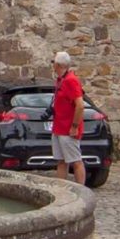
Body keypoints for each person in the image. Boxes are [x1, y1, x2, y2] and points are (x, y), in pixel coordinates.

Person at [48, 51, 88, 186]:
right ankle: (61, 189)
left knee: (75, 161)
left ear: (58, 65)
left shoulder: (71, 81)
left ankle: (81, 190)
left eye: (54, 62)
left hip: (68, 129)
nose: (53, 65)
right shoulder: (61, 80)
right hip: (59, 127)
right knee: (61, 161)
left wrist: (74, 126)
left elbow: (80, 105)